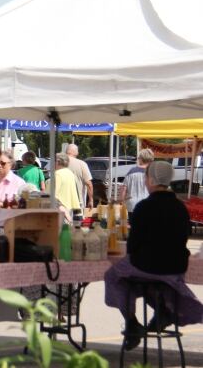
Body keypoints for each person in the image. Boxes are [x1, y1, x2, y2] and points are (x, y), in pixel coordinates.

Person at [105, 161, 203, 350]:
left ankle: (132, 323)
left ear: (151, 180)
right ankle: (162, 310)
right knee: (154, 282)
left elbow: (133, 246)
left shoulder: (144, 207)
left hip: (147, 266)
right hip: (175, 267)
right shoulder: (180, 208)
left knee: (114, 276)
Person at [120, 148, 154, 220]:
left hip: (132, 205)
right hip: (148, 205)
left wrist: (121, 201)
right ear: (150, 159)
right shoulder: (152, 172)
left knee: (134, 228)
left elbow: (124, 189)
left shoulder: (131, 171)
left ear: (141, 159)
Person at [49, 153, 81, 220]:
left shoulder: (57, 174)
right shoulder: (70, 173)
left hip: (59, 209)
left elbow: (52, 195)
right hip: (69, 209)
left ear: (57, 162)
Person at [65, 144, 93, 208]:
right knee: (77, 218)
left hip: (62, 203)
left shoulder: (58, 164)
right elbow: (89, 184)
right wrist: (91, 200)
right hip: (78, 203)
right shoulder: (82, 164)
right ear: (76, 152)